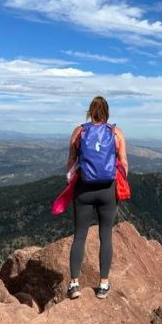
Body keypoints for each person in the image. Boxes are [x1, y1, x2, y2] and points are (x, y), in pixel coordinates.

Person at [65, 96, 128, 300]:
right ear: (107, 112)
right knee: (105, 236)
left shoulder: (79, 132)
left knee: (80, 237)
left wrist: (72, 181)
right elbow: (124, 163)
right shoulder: (116, 133)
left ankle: (74, 284)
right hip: (108, 190)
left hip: (84, 190)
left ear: (90, 112)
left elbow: (71, 161)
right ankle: (103, 285)